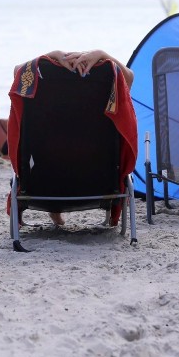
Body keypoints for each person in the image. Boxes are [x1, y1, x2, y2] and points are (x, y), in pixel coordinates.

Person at [33, 49, 134, 226]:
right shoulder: (97, 115)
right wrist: (103, 55)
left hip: (46, 185)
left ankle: (55, 212)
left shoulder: (47, 112)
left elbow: (18, 73)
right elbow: (129, 78)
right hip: (102, 183)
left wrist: (53, 55)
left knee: (54, 150)